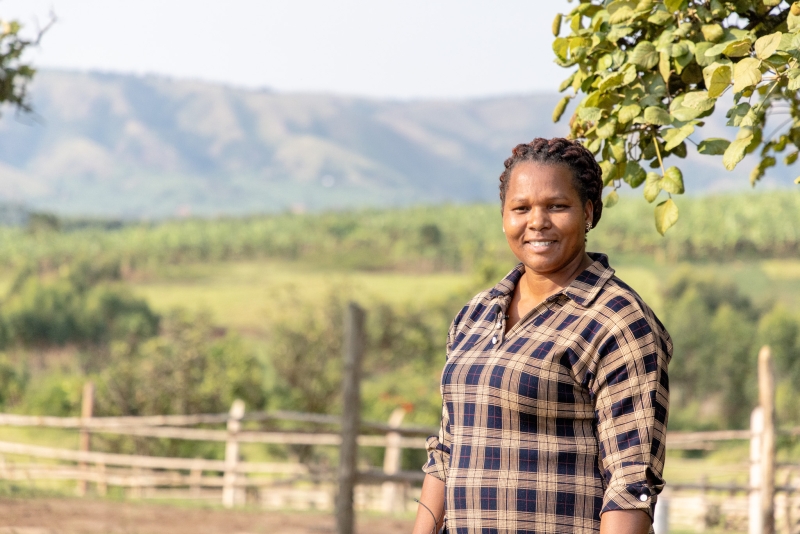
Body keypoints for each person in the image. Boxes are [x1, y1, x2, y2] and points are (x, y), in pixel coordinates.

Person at [411, 138, 672, 534]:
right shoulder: (476, 315)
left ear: (588, 212)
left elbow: (630, 483)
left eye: (557, 206)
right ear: (503, 217)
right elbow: (447, 451)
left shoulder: (617, 320)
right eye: (521, 208)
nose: (537, 222)